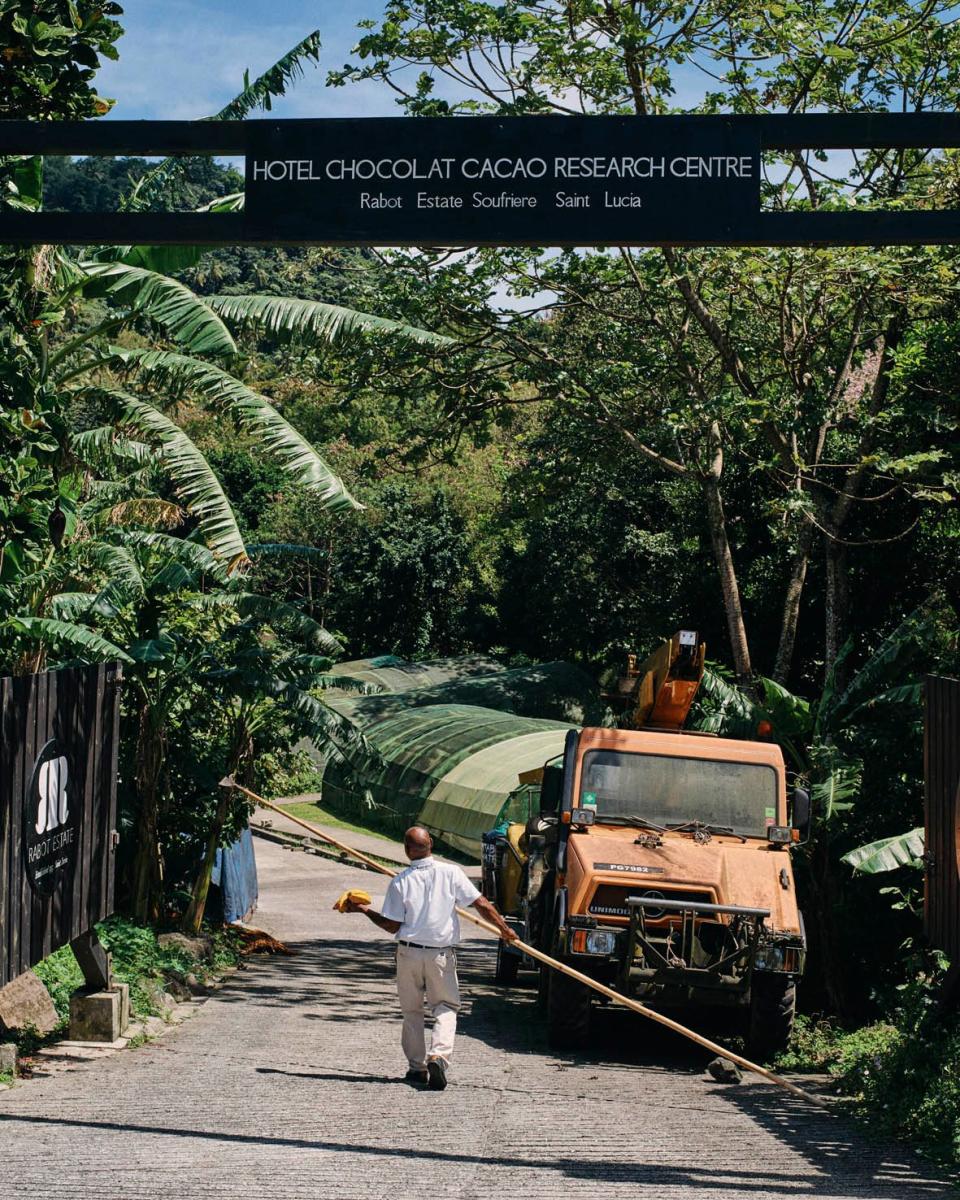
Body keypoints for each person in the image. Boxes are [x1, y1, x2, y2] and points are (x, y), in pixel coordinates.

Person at [340, 825, 517, 1091]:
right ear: (431, 844)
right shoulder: (451, 872)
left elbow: (391, 926)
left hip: (408, 953)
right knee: (445, 1007)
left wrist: (364, 909)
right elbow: (481, 904)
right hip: (440, 955)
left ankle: (417, 1069)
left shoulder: (400, 881)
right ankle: (439, 1055)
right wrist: (504, 930)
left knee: (412, 1012)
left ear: (406, 850)